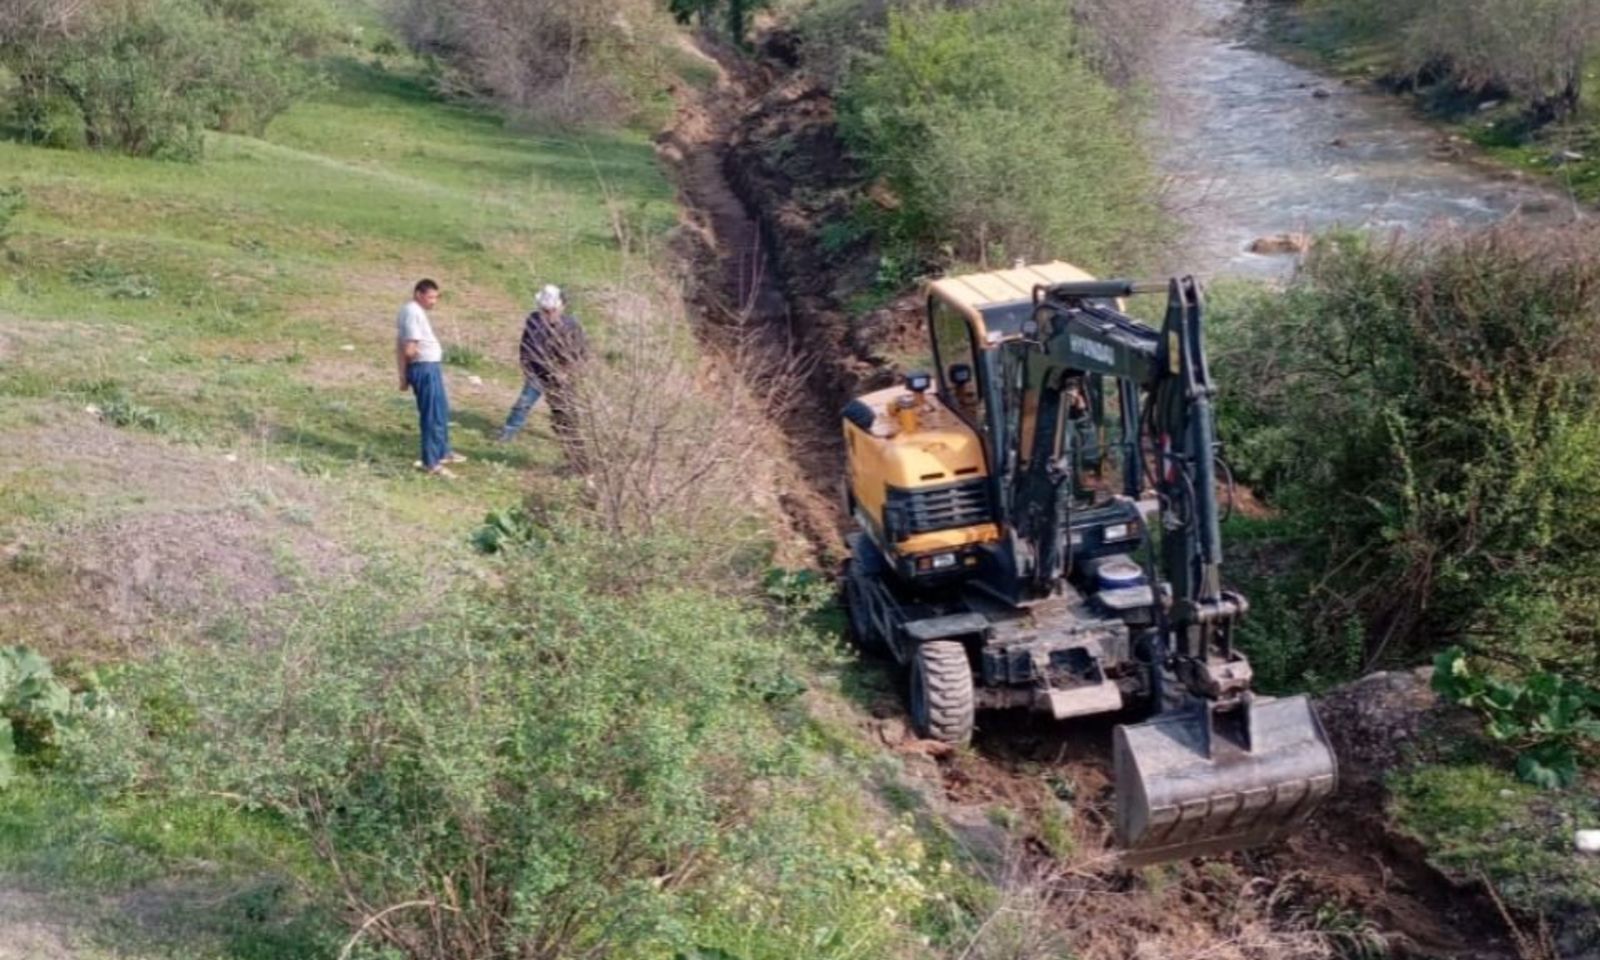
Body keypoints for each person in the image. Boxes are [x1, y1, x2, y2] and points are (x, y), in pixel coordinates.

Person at [497, 284, 587, 457]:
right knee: (522, 405)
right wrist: (527, 367)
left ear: (561, 307)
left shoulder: (572, 327)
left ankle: (572, 446)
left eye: (550, 310)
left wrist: (567, 372)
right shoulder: (533, 321)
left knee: (565, 413)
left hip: (561, 377)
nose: (547, 314)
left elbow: (581, 354)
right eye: (544, 310)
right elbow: (526, 346)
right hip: (537, 373)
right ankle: (507, 433)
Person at [396, 278, 466, 477]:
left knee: (440, 411)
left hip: (430, 367)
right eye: (430, 297)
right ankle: (431, 462)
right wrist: (409, 365)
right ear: (418, 294)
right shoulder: (412, 313)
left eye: (436, 297)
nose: (434, 301)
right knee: (432, 415)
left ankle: (443, 451)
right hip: (424, 368)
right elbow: (408, 347)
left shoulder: (413, 311)